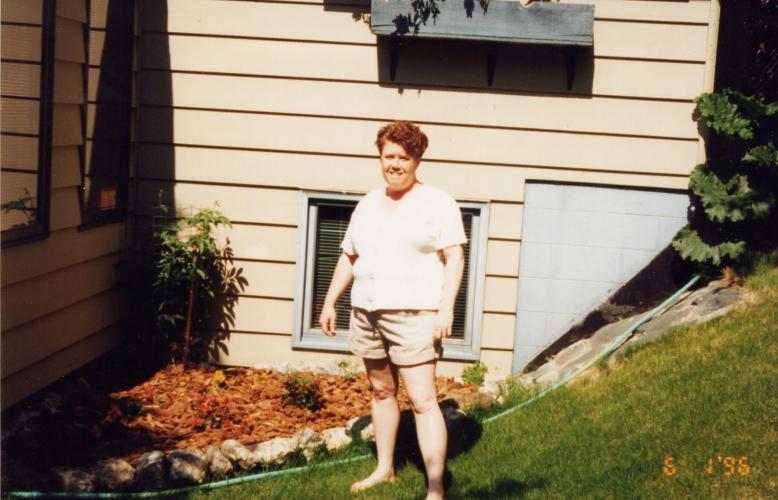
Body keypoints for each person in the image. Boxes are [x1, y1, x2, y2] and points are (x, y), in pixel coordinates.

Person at [319, 121, 466, 500]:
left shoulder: (437, 202)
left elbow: (454, 257)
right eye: (388, 156)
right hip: (367, 312)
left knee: (423, 401)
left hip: (415, 316)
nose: (395, 164)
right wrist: (330, 301)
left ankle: (436, 487)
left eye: (403, 157)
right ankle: (385, 468)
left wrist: (446, 309)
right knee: (382, 391)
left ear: (417, 160)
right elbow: (350, 255)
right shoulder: (368, 203)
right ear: (380, 157)